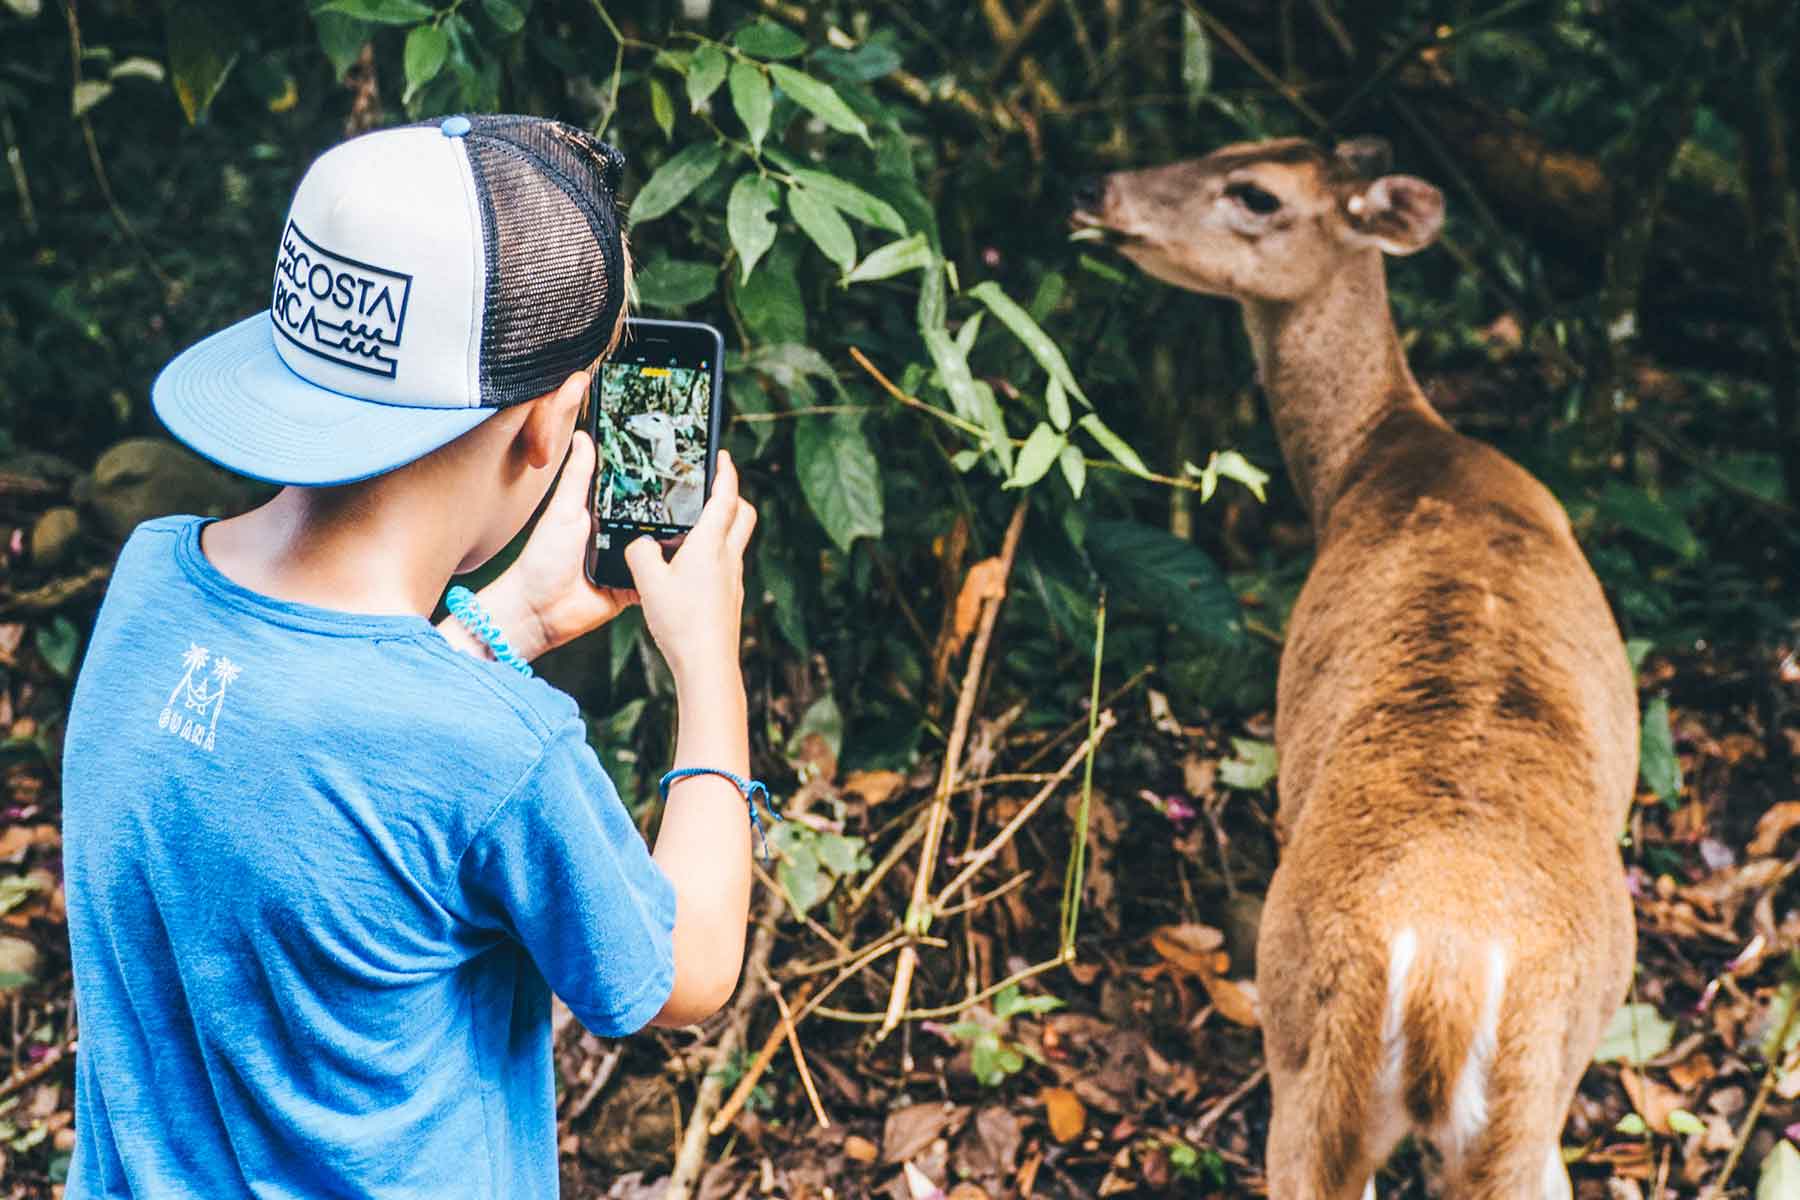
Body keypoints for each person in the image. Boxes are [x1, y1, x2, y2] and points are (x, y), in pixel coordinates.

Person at [59, 114, 757, 1198]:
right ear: (550, 425)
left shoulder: (150, 586)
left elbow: (316, 752)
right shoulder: (491, 752)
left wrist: (505, 624)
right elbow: (691, 966)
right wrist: (710, 658)